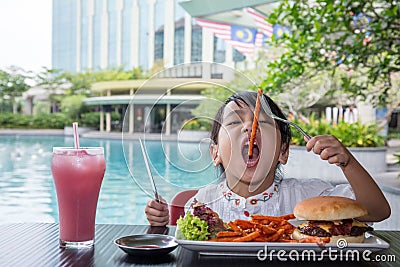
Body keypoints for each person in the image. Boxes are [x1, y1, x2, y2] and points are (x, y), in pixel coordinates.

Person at [145, 91, 391, 226]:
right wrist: (161, 224)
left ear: (283, 152)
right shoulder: (202, 203)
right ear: (215, 153)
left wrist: (347, 162)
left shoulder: (308, 197)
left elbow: (378, 211)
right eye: (233, 122)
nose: (248, 129)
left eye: (262, 122)